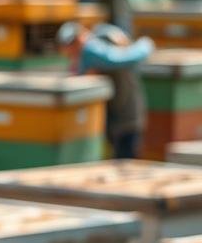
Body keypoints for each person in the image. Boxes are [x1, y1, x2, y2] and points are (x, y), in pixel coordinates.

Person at [56, 20, 155, 159]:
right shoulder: (89, 51)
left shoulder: (91, 50)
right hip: (120, 117)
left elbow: (122, 58)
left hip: (124, 117)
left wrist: (145, 45)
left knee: (124, 159)